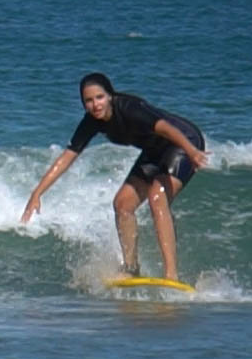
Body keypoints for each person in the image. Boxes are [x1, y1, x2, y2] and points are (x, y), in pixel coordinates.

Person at [22, 72, 209, 282]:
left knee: (157, 197)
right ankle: (131, 268)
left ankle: (171, 275)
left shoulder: (130, 109)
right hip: (154, 150)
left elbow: (165, 127)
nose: (95, 105)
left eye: (99, 97)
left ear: (110, 95)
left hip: (183, 142)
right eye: (88, 101)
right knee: (122, 204)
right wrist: (37, 193)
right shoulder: (91, 122)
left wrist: (192, 152)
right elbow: (67, 157)